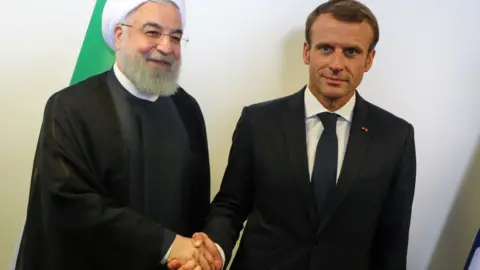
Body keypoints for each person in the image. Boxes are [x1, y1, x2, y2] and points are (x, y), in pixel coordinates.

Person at [172, 0, 417, 269]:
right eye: (326, 48)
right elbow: (230, 205)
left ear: (369, 59)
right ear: (306, 52)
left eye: (351, 52)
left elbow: (393, 239)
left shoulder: (396, 137)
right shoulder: (258, 122)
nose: (336, 64)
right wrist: (215, 250)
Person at [14, 1, 215, 269]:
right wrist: (166, 244)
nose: (166, 47)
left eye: (176, 37)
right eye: (153, 32)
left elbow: (197, 203)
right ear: (119, 35)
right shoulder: (70, 107)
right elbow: (68, 202)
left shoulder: (187, 110)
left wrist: (196, 255)